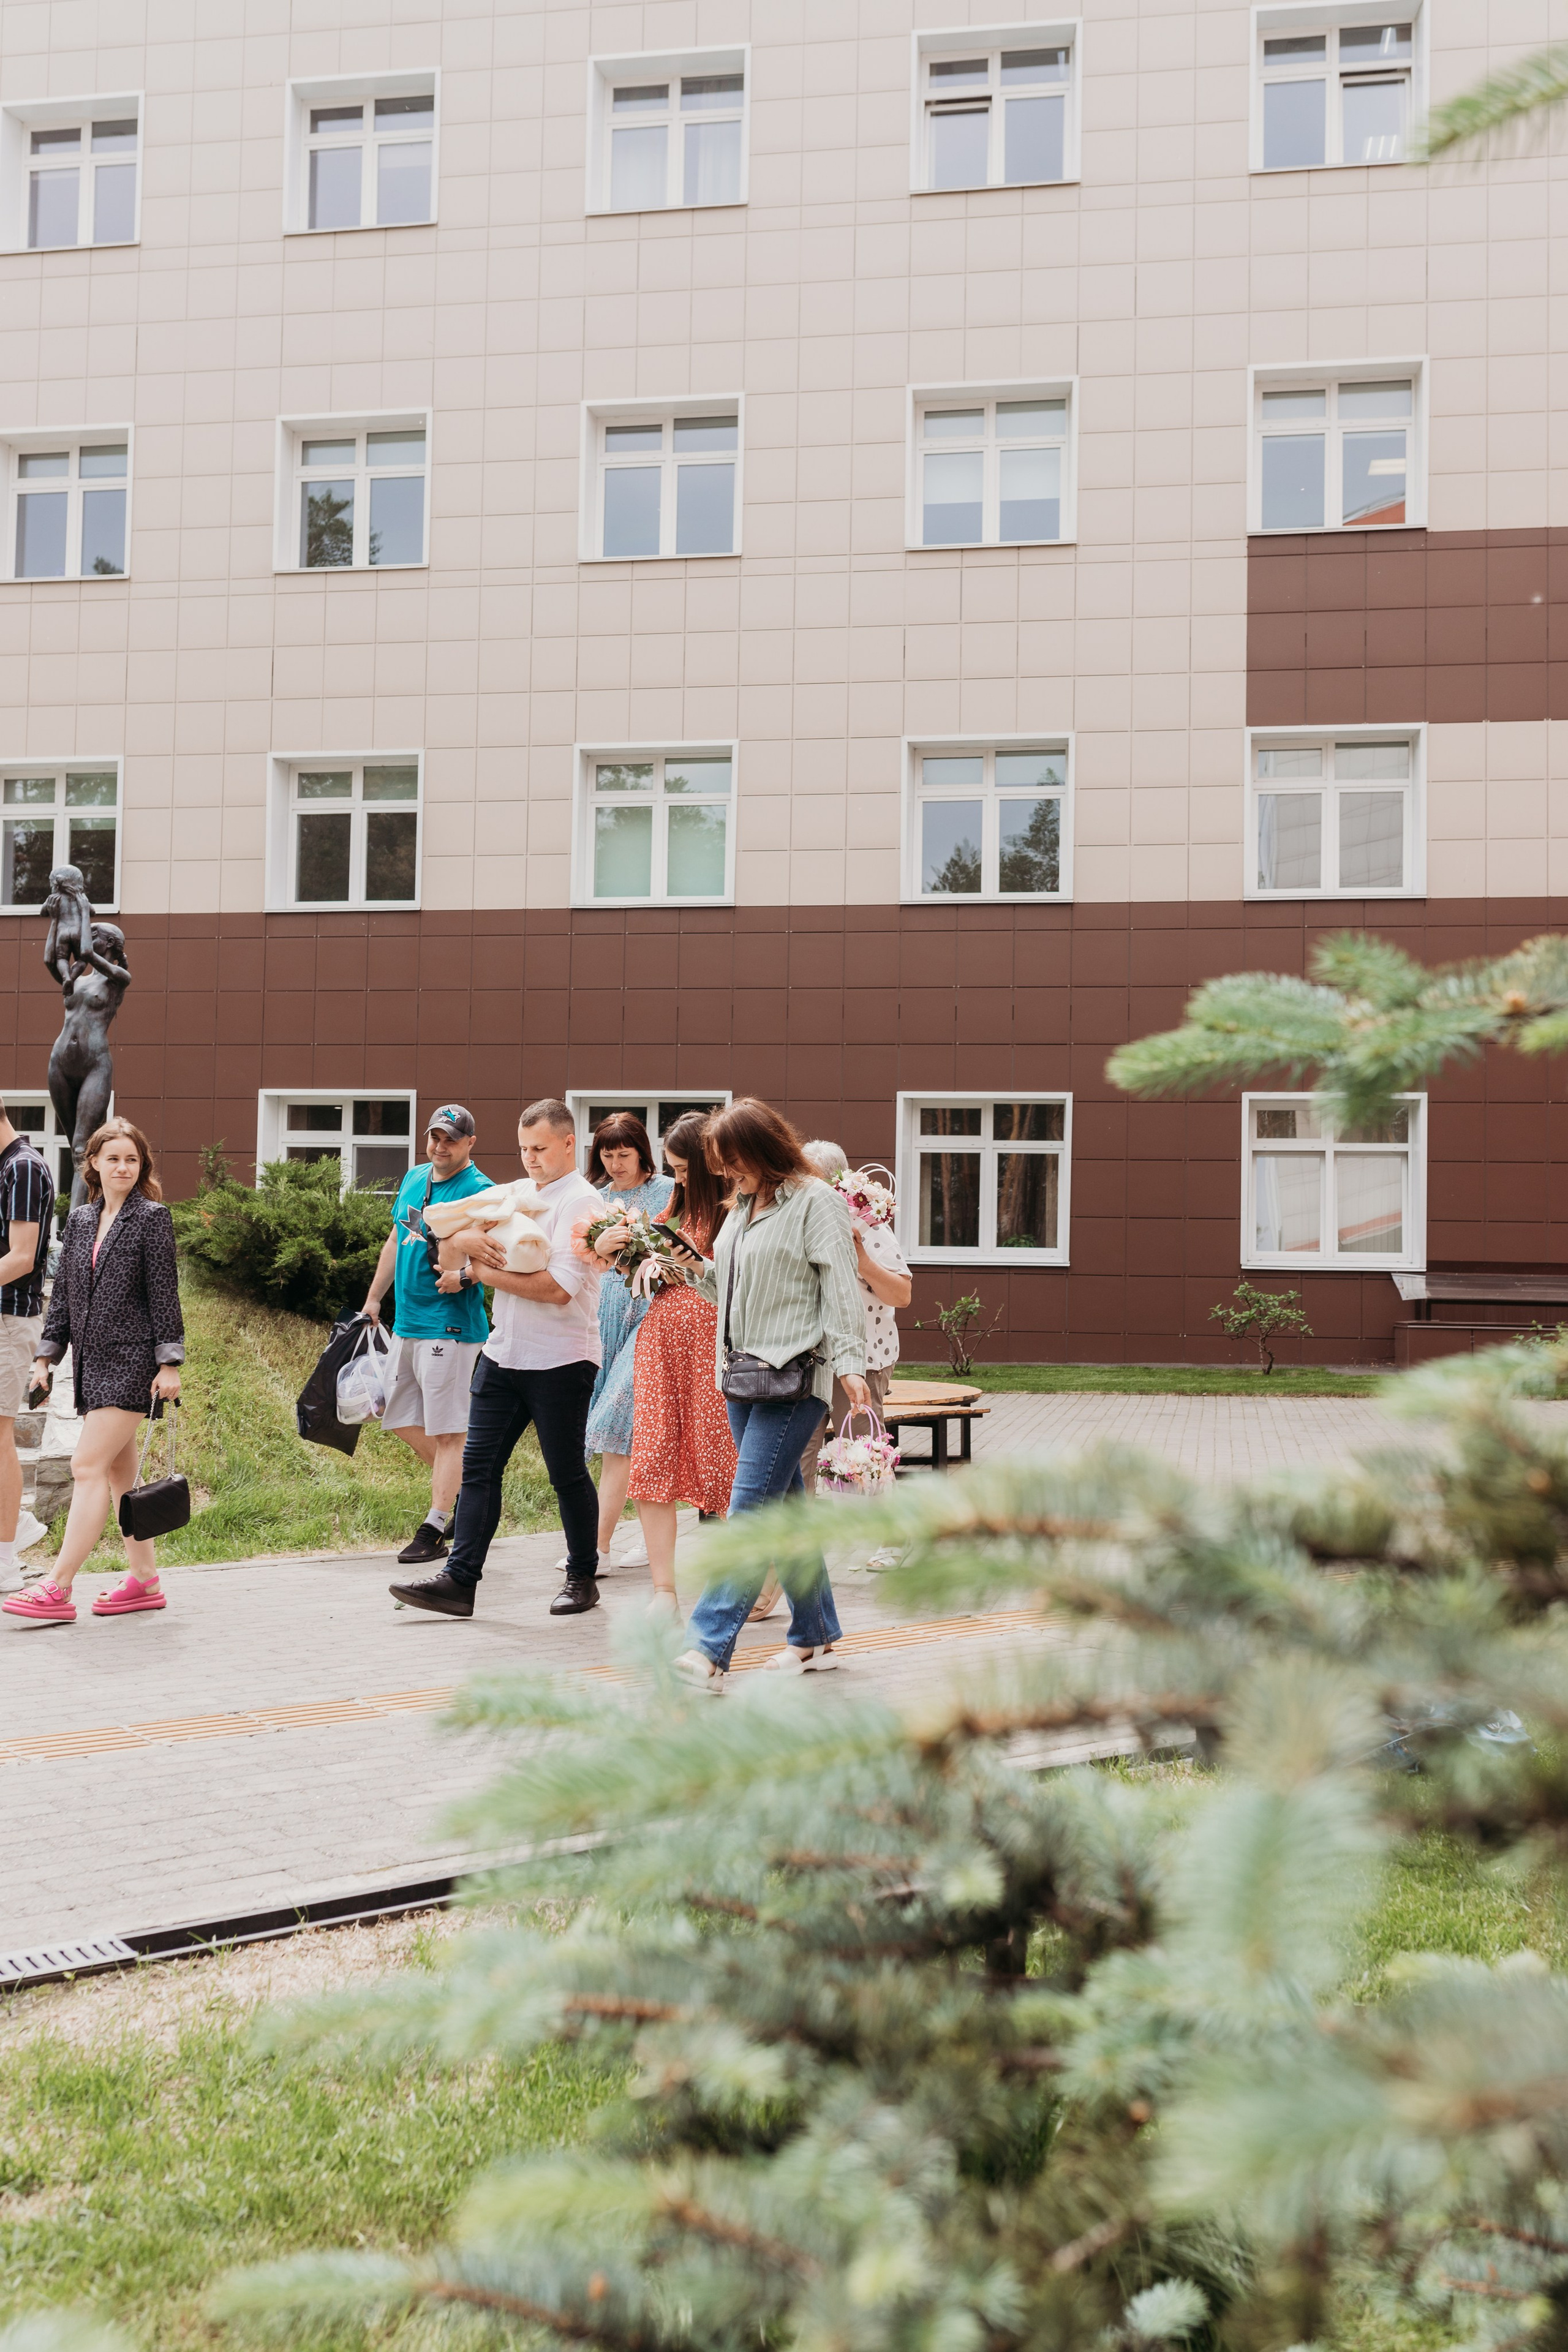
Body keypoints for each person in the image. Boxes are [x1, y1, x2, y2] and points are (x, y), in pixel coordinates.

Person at [673, 1098, 870, 1694]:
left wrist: (851, 1365)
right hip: (739, 1376)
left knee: (749, 1514)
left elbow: (840, 1284)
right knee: (784, 1516)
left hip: (793, 1377)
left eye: (734, 1163)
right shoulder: (743, 1207)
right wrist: (675, 1261)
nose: (728, 1175)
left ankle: (707, 1651)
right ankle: (815, 1637)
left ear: (763, 1149)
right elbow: (724, 1287)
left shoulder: (816, 1204)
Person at [388, 1098, 603, 1621]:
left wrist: (480, 1271)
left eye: (541, 1149)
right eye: (524, 1148)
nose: (530, 1159)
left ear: (569, 1144)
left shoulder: (583, 1203)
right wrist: (464, 1239)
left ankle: (582, 1577)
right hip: (504, 1354)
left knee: (567, 1474)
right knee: (480, 1466)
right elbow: (448, 1239)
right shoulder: (519, 1193)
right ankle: (460, 1581)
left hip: (562, 1360)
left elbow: (556, 1289)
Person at [4, 1117, 183, 1626]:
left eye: (132, 1159)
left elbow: (164, 1295)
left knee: (85, 1468)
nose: (123, 1167)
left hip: (132, 1365)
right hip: (91, 1367)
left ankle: (57, 1588)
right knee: (121, 1477)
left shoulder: (153, 1218)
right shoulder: (81, 1221)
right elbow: (62, 1298)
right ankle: (144, 1581)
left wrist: (169, 1362)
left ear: (141, 1165)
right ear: (95, 1165)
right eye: (114, 1159)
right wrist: (45, 1357)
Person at [603, 1111, 735, 1608]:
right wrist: (623, 1253)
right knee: (652, 1458)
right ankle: (664, 1590)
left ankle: (756, 1575)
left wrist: (696, 1264)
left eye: (683, 1169)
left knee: (722, 1460)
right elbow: (651, 1273)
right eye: (673, 1168)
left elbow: (741, 1282)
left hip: (710, 1346)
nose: (676, 1178)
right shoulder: (679, 1202)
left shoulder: (736, 1206)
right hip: (660, 1340)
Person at [362, 1104, 492, 1567]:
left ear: (470, 1143)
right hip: (407, 1322)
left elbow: (503, 1257)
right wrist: (375, 1299)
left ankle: (436, 1526)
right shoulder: (416, 1177)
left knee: (450, 1433)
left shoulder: (482, 1193)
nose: (440, 1146)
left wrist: (466, 1277)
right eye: (435, 1137)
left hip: (451, 1328)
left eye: (451, 1139)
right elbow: (397, 1240)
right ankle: (467, 1491)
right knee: (398, 1418)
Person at [580, 1113, 673, 1573]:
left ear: (642, 1151)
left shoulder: (668, 1192)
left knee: (617, 1425)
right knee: (634, 1434)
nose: (616, 1164)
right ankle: (645, 1536)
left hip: (652, 1320)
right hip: (602, 1324)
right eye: (607, 1154)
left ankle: (596, 1549)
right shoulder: (594, 1200)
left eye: (624, 1154)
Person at [797, 1140, 912, 1490]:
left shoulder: (870, 1227)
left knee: (865, 1456)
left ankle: (889, 1540)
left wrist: (860, 1257)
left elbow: (902, 1295)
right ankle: (799, 1539)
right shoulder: (801, 1220)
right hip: (807, 1358)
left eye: (808, 1177)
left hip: (862, 1359)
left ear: (837, 1182)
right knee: (800, 1456)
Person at [0, 1101, 54, 1588]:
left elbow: (20, 1258)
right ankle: (16, 1528)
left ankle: (5, 1562)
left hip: (8, 1319)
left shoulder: (23, 1168)